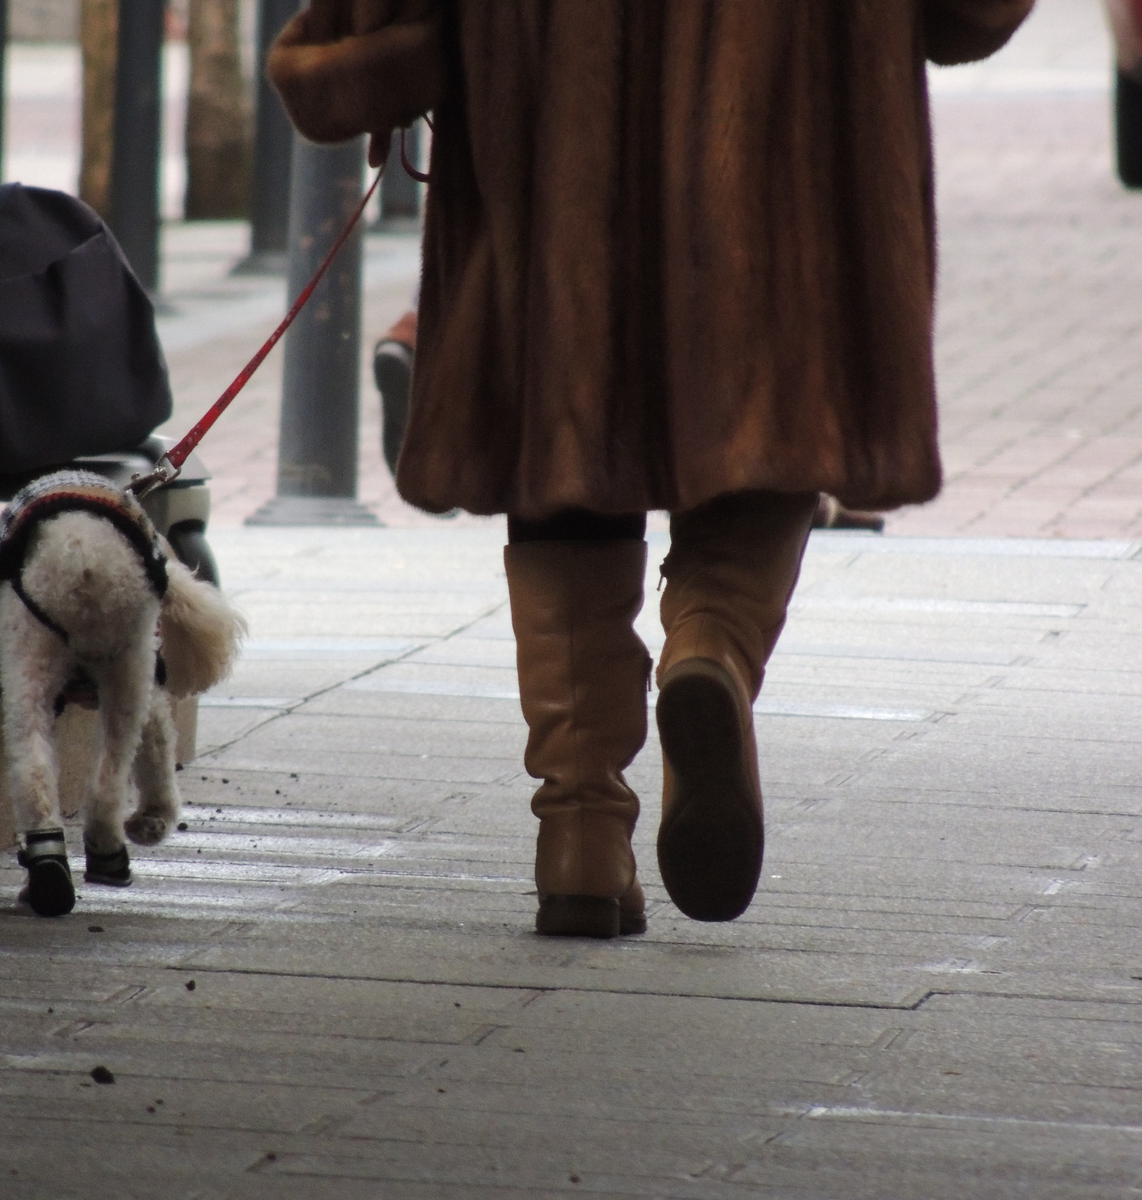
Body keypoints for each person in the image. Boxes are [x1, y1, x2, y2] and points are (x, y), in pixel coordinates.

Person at [272, 2, 1033, 937]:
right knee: (778, 403)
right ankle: (708, 646)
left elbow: (374, 46)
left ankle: (580, 833)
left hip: (553, 84)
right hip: (793, 79)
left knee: (565, 419)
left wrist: (373, 40)